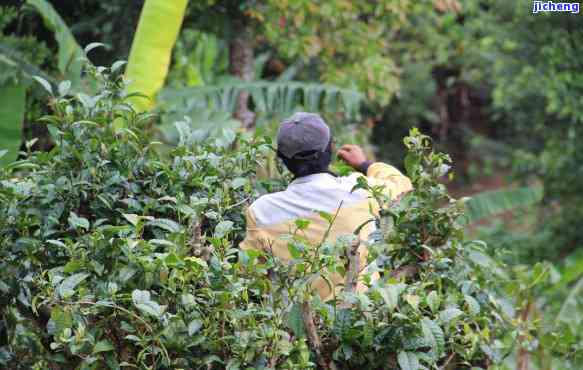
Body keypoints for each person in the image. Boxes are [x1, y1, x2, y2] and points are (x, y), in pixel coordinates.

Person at [240, 112, 412, 300]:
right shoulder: (360, 190)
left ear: (281, 158)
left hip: (296, 325)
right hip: (363, 315)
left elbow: (248, 273)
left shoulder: (261, 211)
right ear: (330, 148)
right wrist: (364, 164)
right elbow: (402, 186)